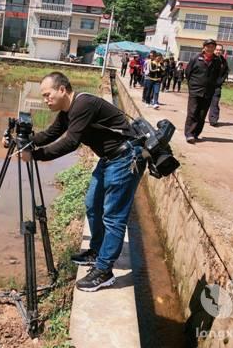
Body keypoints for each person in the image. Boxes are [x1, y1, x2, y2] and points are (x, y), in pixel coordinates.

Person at [19, 72, 146, 291]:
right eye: (43, 96)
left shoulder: (82, 104)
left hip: (126, 158)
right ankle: (97, 250)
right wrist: (23, 141)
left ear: (62, 90)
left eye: (48, 95)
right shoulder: (68, 111)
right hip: (110, 158)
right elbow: (52, 133)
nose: (45, 100)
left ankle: (104, 270)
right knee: (92, 205)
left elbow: (70, 142)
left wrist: (36, 156)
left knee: (114, 217)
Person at [184, 39, 222, 144]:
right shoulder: (195, 58)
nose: (210, 48)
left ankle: (196, 133)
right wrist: (192, 87)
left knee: (202, 114)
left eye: (212, 47)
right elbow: (188, 73)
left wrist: (215, 86)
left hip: (209, 91)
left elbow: (219, 75)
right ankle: (189, 134)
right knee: (192, 112)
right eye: (208, 46)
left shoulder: (217, 60)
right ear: (204, 47)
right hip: (195, 90)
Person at [208, 44, 230, 127]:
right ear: (214, 50)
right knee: (203, 103)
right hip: (206, 86)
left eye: (220, 50)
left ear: (222, 51)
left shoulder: (223, 61)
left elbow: (226, 73)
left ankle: (213, 120)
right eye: (217, 49)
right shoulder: (209, 58)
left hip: (217, 86)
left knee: (215, 102)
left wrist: (220, 81)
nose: (218, 51)